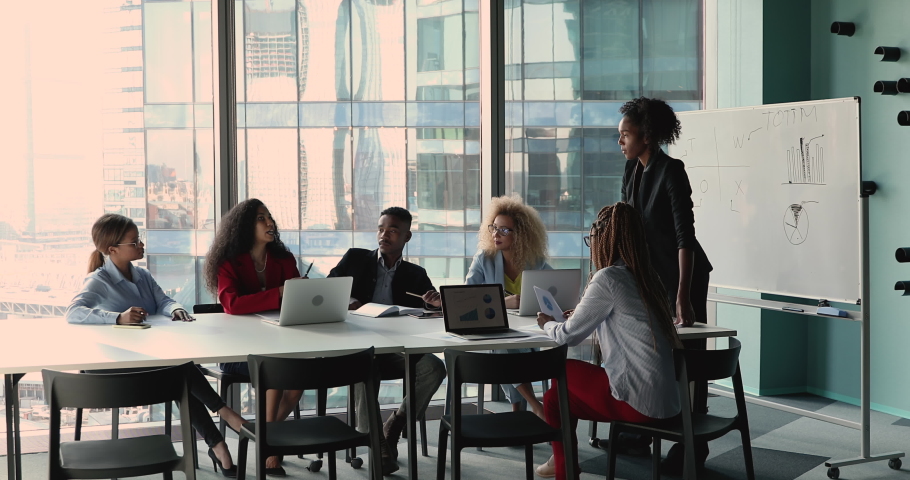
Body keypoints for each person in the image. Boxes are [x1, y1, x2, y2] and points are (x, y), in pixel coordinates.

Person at [66, 213, 247, 478]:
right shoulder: (99, 280)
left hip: (152, 361)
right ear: (113, 249)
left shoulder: (142, 275)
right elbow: (73, 312)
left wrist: (176, 309)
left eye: (140, 239)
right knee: (180, 370)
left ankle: (219, 446)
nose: (142, 245)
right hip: (117, 368)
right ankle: (225, 416)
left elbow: (163, 300)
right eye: (135, 241)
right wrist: (117, 317)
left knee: (178, 373)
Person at [534, 203, 683, 480]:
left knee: (559, 373)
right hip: (667, 403)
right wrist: (583, 313)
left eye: (591, 239)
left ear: (604, 239)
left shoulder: (607, 277)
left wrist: (548, 324)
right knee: (556, 397)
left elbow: (568, 336)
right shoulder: (647, 278)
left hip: (637, 403)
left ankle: (564, 467)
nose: (591, 246)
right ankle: (562, 464)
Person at [618, 97, 713, 472]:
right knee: (653, 354)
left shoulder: (672, 170)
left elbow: (683, 237)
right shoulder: (631, 170)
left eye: (626, 134)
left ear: (648, 135)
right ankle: (646, 432)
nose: (621, 142)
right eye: (620, 135)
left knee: (689, 359)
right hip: (651, 276)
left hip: (685, 275)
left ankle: (694, 445)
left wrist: (683, 296)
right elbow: (627, 227)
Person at [328, 206, 446, 476]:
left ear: (407, 237)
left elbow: (429, 312)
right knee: (364, 369)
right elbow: (329, 289)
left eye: (392, 230)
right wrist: (351, 301)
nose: (384, 235)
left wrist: (433, 306)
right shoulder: (355, 259)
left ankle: (395, 423)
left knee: (434, 369)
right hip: (358, 346)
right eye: (381, 229)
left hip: (394, 348)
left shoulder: (416, 274)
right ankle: (376, 443)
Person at [203, 198, 304, 476]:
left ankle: (265, 437)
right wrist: (281, 292)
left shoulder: (283, 259)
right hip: (239, 350)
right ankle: (270, 449)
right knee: (275, 371)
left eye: (270, 217)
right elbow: (232, 304)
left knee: (296, 382)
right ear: (244, 226)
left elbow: (294, 301)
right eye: (262, 218)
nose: (270, 223)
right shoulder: (229, 262)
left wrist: (299, 293)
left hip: (279, 342)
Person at [465, 194, 550, 418]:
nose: (496, 234)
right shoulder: (484, 258)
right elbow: (467, 297)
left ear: (521, 234)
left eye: (504, 230)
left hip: (527, 331)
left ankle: (519, 410)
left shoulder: (536, 261)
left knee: (513, 346)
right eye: (494, 228)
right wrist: (505, 303)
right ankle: (535, 405)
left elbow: (554, 290)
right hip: (493, 333)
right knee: (505, 345)